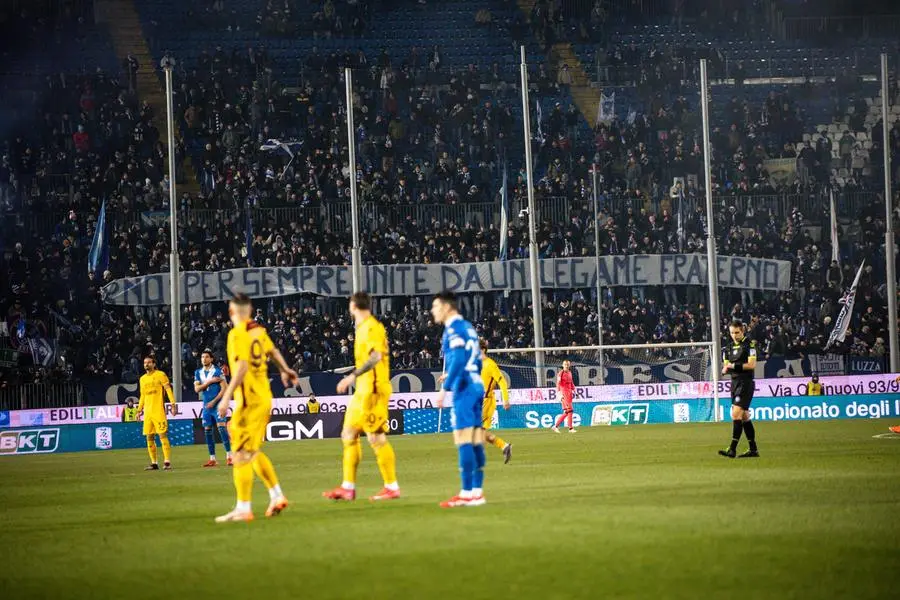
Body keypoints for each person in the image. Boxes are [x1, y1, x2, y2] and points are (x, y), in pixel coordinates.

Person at [214, 293, 300, 523]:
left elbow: (241, 367)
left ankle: (244, 508)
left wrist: (226, 397)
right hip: (263, 397)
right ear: (250, 309)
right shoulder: (258, 331)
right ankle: (276, 495)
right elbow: (273, 352)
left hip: (249, 400)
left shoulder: (237, 334)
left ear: (232, 312)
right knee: (250, 452)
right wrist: (285, 369)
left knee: (241, 453)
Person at [323, 291, 401, 502]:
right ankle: (348, 487)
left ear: (353, 305)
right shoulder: (362, 328)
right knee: (348, 433)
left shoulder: (371, 327)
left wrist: (351, 376)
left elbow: (376, 357)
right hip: (363, 390)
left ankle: (391, 486)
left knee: (376, 437)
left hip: (374, 389)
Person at [432, 291, 487, 508]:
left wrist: (444, 389)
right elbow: (477, 361)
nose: (433, 311)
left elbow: (458, 360)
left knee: (464, 439)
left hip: (464, 389)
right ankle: (477, 492)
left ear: (447, 307)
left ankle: (466, 493)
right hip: (476, 385)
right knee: (475, 440)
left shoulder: (453, 329)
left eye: (436, 306)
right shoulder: (469, 328)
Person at [719, 320, 760, 458]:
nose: (734, 335)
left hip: (746, 383)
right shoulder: (727, 349)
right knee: (744, 417)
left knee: (735, 414)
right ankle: (753, 449)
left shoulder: (750, 345)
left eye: (737, 332)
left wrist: (732, 366)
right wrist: (726, 369)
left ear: (742, 331)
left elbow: (752, 365)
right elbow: (726, 367)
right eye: (732, 333)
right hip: (735, 383)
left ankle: (732, 449)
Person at [137, 356, 176, 471]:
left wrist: (173, 404)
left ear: (154, 364)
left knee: (162, 435)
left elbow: (168, 390)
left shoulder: (160, 375)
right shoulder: (142, 379)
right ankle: (154, 463)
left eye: (149, 362)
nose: (146, 364)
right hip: (148, 413)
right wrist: (139, 410)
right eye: (145, 362)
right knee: (149, 437)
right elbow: (142, 396)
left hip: (158, 411)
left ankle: (167, 462)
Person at [195, 349, 231, 467]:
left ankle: (229, 456)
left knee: (222, 429)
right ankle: (212, 459)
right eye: (202, 357)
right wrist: (209, 382)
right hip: (206, 406)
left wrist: (214, 401)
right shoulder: (198, 372)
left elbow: (224, 388)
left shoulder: (217, 371)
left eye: (206, 357)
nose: (204, 359)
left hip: (218, 405)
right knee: (207, 431)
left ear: (211, 359)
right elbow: (197, 389)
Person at [480, 340, 512, 463]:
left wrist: (505, 399)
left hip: (486, 401)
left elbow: (502, 382)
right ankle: (504, 446)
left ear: (482, 350)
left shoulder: (490, 365)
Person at [551, 360, 576, 433]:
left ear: (569, 365)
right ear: (562, 365)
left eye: (568, 364)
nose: (566, 366)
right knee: (570, 410)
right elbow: (558, 383)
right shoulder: (560, 373)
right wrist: (559, 392)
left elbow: (571, 383)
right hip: (564, 393)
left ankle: (555, 426)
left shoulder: (570, 373)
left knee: (567, 411)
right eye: (565, 364)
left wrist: (574, 389)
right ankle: (570, 428)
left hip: (569, 393)